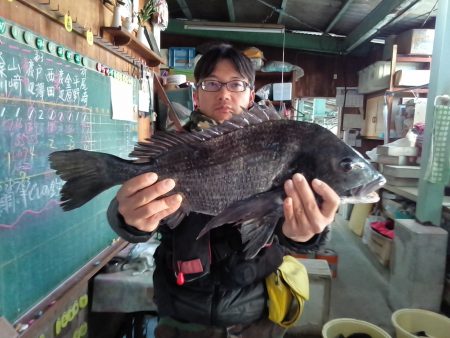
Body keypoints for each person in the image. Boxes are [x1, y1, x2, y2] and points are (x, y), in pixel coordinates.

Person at [107, 44, 340, 338]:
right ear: (196, 93)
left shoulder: (281, 147)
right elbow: (133, 206)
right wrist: (127, 218)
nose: (224, 94)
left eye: (237, 84)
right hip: (181, 315)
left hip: (256, 313)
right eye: (212, 84)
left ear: (251, 93)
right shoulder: (177, 148)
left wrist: (309, 234)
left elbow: (285, 229)